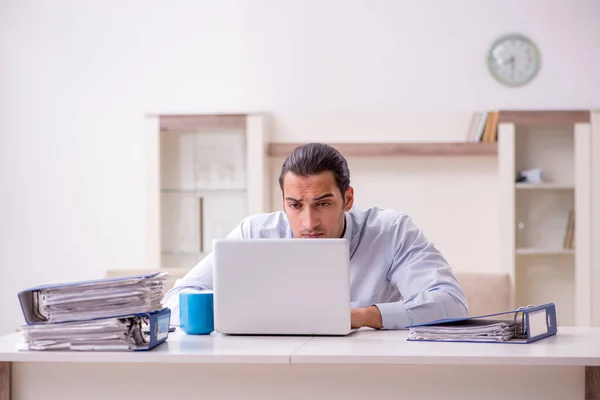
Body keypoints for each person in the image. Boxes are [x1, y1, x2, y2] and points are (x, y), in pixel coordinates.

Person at [162, 142, 468, 330]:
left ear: (347, 199)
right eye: (295, 206)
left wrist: (355, 317)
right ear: (283, 201)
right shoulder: (254, 233)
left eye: (323, 204)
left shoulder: (390, 231)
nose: (309, 222)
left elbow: (451, 303)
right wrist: (243, 311)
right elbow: (174, 301)